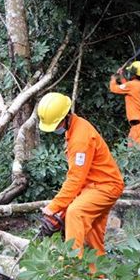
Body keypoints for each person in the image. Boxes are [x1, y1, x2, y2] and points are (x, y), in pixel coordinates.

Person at [37, 93, 124, 268]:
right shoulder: (74, 128)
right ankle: (97, 277)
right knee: (92, 237)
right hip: (95, 186)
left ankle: (73, 270)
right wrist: (60, 208)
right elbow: (80, 178)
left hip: (104, 187)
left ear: (66, 115)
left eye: (57, 124)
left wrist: (53, 208)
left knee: (75, 213)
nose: (56, 129)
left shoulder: (80, 138)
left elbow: (75, 179)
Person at [109, 61, 140, 147]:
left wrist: (113, 79)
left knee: (139, 155)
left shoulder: (132, 85)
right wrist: (121, 76)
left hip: (139, 127)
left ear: (134, 74)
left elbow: (113, 88)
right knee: (131, 154)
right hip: (138, 126)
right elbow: (128, 87)